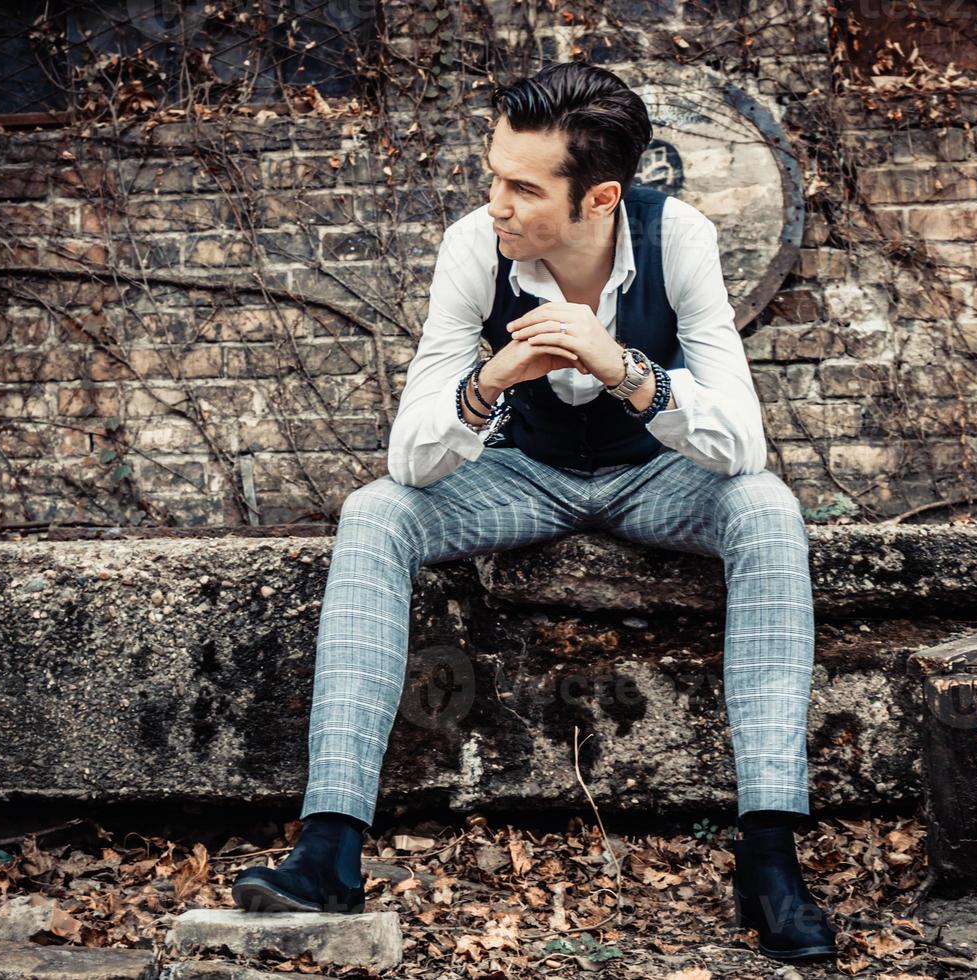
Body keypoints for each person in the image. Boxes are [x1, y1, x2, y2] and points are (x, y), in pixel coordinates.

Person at [232, 61, 837, 962]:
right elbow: (411, 456)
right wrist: (487, 385)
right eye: (492, 176)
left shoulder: (682, 242)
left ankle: (770, 853)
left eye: (522, 186)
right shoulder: (477, 247)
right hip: (526, 475)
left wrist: (624, 367)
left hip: (653, 476)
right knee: (374, 512)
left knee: (767, 509)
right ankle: (329, 851)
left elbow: (742, 443)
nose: (497, 203)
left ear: (598, 198)